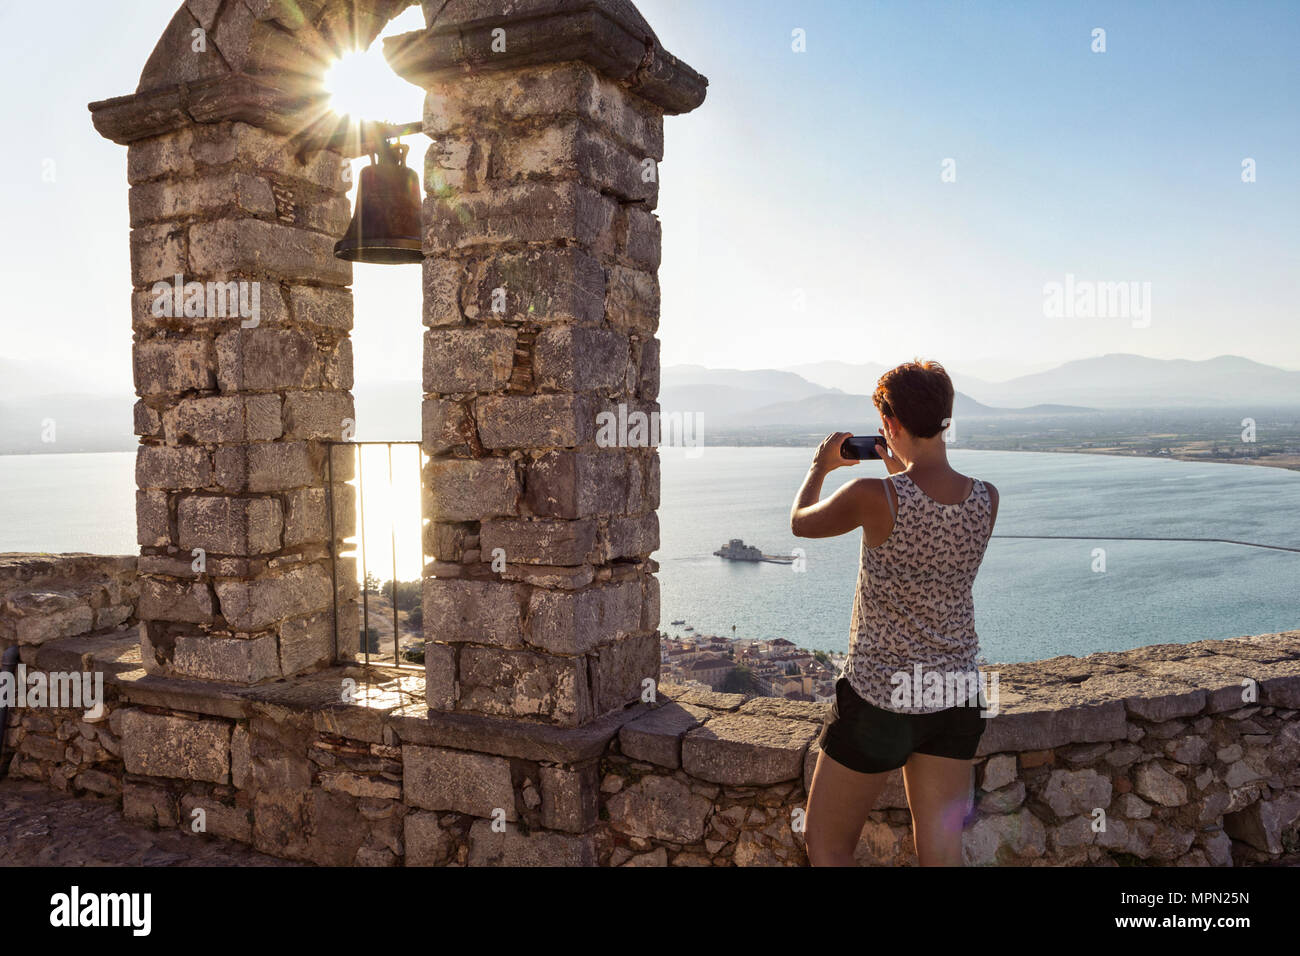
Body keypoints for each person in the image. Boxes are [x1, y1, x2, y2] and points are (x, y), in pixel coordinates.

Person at [789, 359, 999, 866]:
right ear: (945, 417)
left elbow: (800, 524)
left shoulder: (871, 495)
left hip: (880, 698)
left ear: (890, 425)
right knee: (942, 849)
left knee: (828, 845)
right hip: (954, 693)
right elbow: (926, 531)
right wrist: (898, 472)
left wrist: (820, 465)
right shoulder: (986, 499)